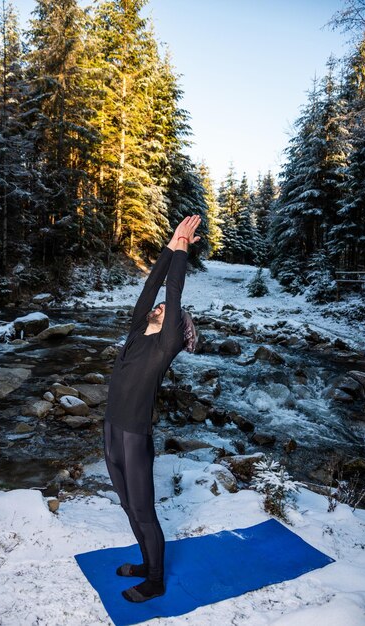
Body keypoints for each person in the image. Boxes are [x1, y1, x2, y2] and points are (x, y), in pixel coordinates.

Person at [103, 215, 201, 603]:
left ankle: (156, 580)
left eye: (165, 308)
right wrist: (167, 245)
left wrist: (183, 249)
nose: (158, 306)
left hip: (134, 433)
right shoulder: (135, 332)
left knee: (143, 509)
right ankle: (145, 562)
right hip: (111, 427)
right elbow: (152, 286)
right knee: (127, 504)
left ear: (174, 327)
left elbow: (172, 290)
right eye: (157, 306)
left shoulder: (164, 345)